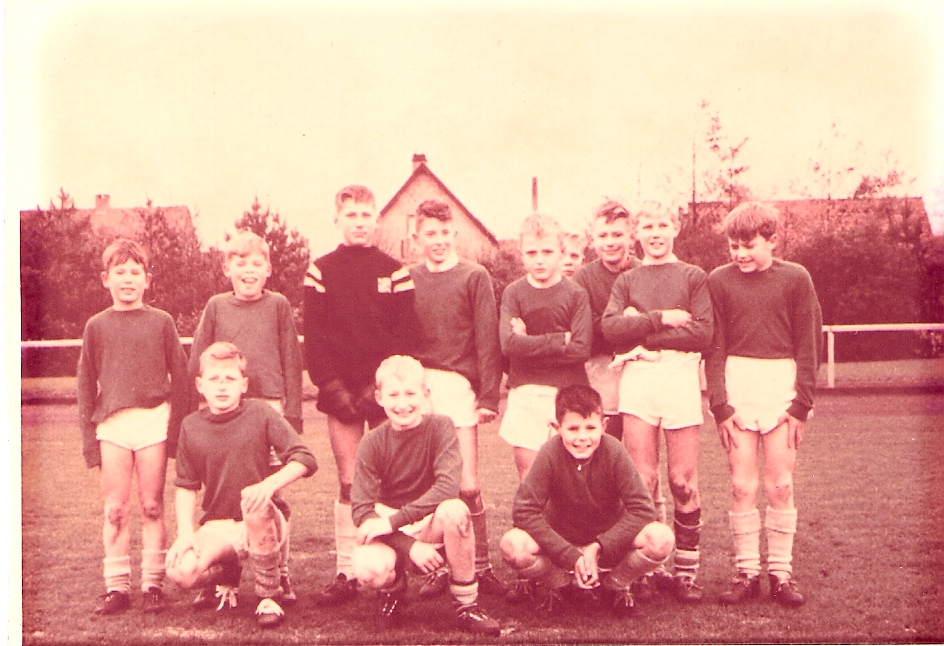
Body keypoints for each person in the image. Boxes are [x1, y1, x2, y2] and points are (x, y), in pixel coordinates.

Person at [303, 184, 420, 604]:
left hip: (386, 395)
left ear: (377, 219)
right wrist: (334, 388)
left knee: (394, 482)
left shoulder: (396, 270)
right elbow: (314, 337)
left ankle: (394, 572)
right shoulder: (320, 270)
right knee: (350, 482)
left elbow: (405, 337)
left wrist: (378, 390)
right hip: (341, 394)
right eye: (350, 215)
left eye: (365, 215)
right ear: (337, 219)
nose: (359, 222)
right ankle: (346, 572)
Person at [706, 202, 822, 608]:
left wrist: (801, 403)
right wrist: (720, 404)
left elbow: (809, 343)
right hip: (738, 386)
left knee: (780, 485)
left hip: (780, 388)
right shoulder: (718, 281)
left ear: (772, 240)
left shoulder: (796, 278)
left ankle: (781, 574)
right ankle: (746, 573)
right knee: (742, 485)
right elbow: (714, 347)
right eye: (733, 246)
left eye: (749, 246)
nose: (740, 254)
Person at [601, 201, 713, 603]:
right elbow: (610, 329)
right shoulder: (628, 279)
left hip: (680, 378)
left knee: (682, 482)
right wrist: (663, 319)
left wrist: (642, 333)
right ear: (637, 233)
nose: (655, 234)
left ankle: (686, 572)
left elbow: (703, 334)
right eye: (647, 226)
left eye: (662, 225)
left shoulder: (693, 276)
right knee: (643, 481)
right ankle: (647, 569)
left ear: (675, 228)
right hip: (639, 379)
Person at [188, 229, 304, 606]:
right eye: (240, 263)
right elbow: (199, 360)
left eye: (256, 263)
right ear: (227, 269)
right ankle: (223, 576)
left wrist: (293, 415)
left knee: (271, 494)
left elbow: (292, 360)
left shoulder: (279, 305)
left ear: (268, 269)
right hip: (224, 410)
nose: (248, 270)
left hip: (268, 407)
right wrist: (198, 413)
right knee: (222, 492)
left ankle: (279, 573)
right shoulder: (216, 306)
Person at [166, 342, 318, 628]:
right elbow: (186, 485)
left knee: (254, 503)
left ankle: (269, 595)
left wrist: (268, 486)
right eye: (214, 379)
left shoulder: (260, 413)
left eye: (230, 378)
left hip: (264, 520)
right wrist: (185, 533)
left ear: (244, 384)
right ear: (200, 385)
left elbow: (305, 458)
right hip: (220, 524)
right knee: (181, 572)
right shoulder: (191, 425)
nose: (222, 386)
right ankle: (227, 573)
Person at [349, 355, 501, 635]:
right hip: (393, 529)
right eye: (393, 395)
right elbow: (361, 508)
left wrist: (394, 523)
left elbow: (447, 487)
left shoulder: (441, 426)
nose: (402, 403)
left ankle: (466, 604)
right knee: (367, 568)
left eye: (410, 393)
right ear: (379, 397)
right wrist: (409, 545)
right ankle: (393, 591)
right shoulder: (372, 441)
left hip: (426, 522)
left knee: (455, 510)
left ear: (426, 394)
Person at [77, 238, 189, 615]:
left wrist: (176, 435)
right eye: (120, 272)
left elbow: (182, 379)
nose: (128, 279)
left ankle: (153, 584)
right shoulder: (96, 326)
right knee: (115, 509)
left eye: (135, 272)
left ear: (147, 279)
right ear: (105, 279)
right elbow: (84, 386)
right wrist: (89, 442)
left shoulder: (162, 322)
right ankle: (117, 588)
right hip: (112, 425)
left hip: (153, 421)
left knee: (152, 505)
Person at [500, 384, 673, 617]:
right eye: (573, 428)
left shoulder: (614, 451)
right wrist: (569, 555)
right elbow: (523, 511)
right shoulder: (549, 453)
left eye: (590, 427)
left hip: (607, 546)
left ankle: (615, 585)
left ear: (604, 426)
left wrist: (599, 546)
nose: (582, 438)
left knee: (661, 538)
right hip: (561, 546)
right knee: (513, 545)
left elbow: (643, 509)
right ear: (557, 428)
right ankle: (561, 585)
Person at [407, 199, 505, 597]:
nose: (438, 240)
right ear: (416, 237)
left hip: (458, 387)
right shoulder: (407, 277)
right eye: (430, 233)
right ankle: (439, 567)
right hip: (419, 387)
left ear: (455, 234)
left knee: (467, 483)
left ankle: (481, 565)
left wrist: (489, 396)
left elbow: (487, 339)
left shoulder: (474, 276)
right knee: (429, 483)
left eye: (445, 233)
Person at [498, 213, 592, 480]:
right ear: (521, 254)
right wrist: (558, 340)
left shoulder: (576, 294)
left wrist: (527, 342)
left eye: (547, 252)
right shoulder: (513, 293)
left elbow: (581, 349)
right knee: (529, 477)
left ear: (561, 252)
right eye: (532, 252)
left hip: (568, 393)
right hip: (525, 392)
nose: (539, 259)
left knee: (570, 478)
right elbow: (509, 345)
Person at [573, 200, 641, 440]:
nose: (610, 242)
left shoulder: (644, 272)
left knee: (638, 451)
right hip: (600, 370)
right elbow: (585, 330)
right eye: (603, 235)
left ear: (631, 237)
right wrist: (627, 325)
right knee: (604, 443)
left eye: (617, 234)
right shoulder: (583, 278)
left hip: (639, 368)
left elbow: (652, 327)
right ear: (592, 240)